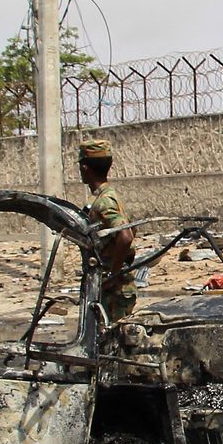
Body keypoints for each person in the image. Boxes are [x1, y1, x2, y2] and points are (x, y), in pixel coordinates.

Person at [79, 137, 138, 322]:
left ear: (84, 168)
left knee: (112, 343)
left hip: (114, 290)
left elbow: (126, 236)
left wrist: (113, 274)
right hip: (109, 286)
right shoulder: (103, 197)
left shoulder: (104, 201)